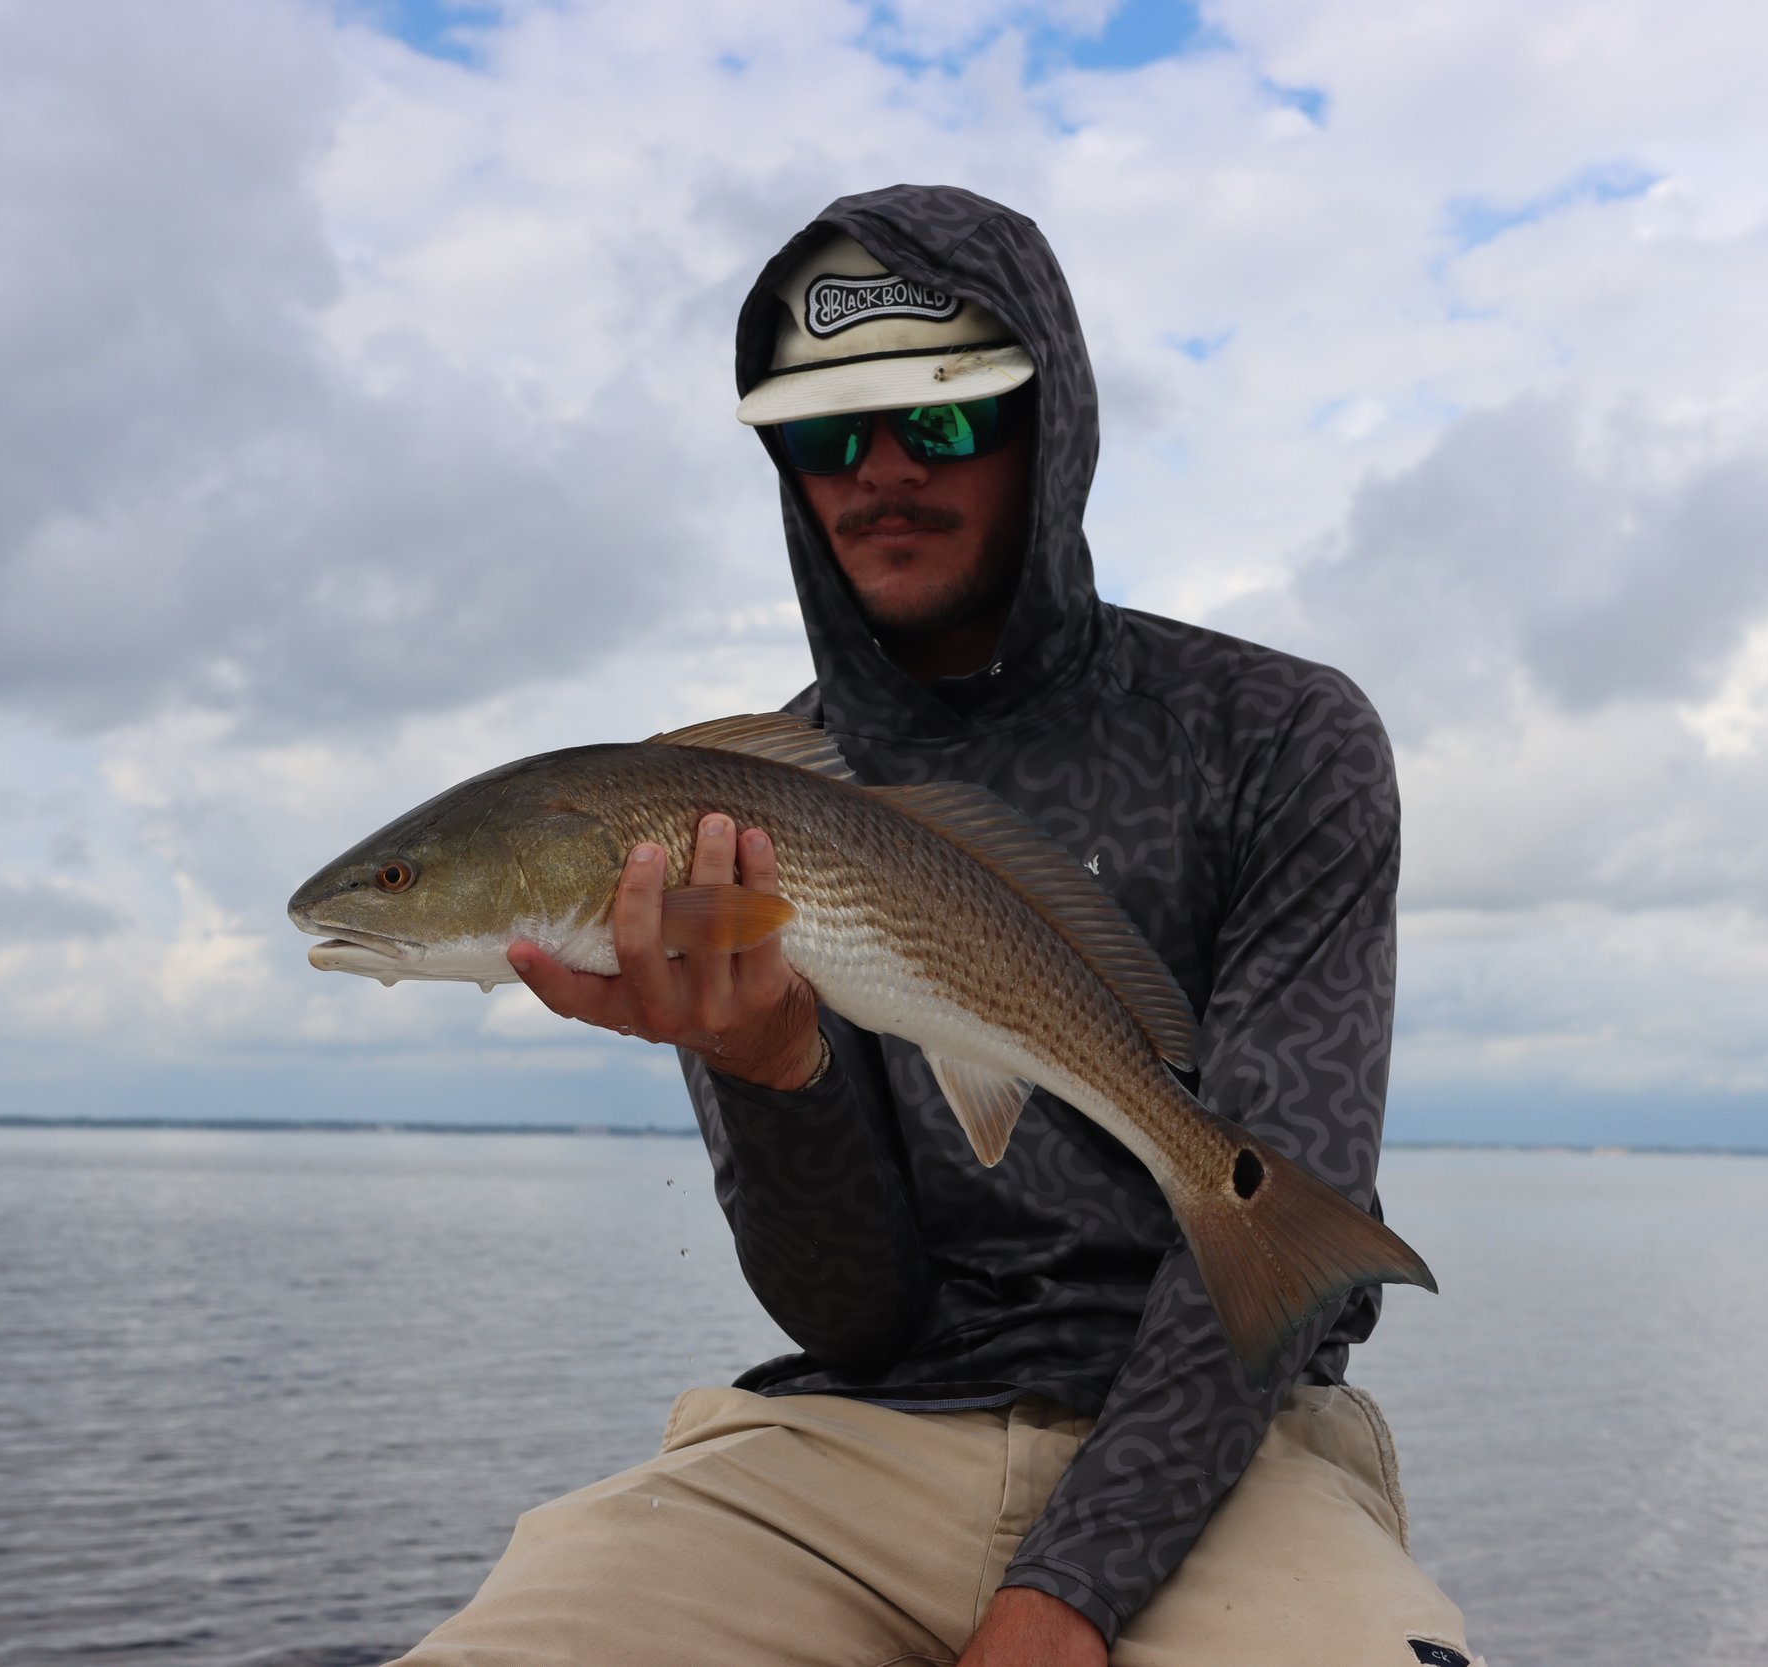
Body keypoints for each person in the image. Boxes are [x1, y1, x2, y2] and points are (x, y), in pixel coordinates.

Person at [381, 185, 1476, 1667]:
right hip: (861, 1444)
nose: (878, 472)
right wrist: (781, 1082)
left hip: (1227, 1448)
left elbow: (1275, 1251)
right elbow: (858, 1321)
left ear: (1054, 420)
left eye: (943, 420)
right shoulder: (720, 819)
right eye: (826, 436)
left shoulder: (1279, 739)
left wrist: (1066, 1592)